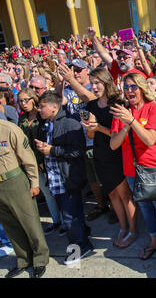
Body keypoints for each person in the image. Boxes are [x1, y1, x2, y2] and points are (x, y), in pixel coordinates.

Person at [110, 72, 156, 262]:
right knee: (144, 207)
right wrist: (127, 124)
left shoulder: (153, 108)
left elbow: (150, 139)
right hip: (132, 170)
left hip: (153, 167)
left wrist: (132, 121)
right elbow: (113, 144)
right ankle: (154, 240)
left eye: (133, 87)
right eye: (126, 87)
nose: (129, 91)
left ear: (142, 88)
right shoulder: (122, 112)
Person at [79, 67, 138, 248]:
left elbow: (121, 133)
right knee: (112, 194)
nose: (94, 86)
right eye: (92, 82)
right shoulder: (91, 106)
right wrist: (91, 128)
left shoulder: (118, 103)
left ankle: (133, 230)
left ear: (106, 82)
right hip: (99, 154)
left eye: (98, 82)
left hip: (117, 154)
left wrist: (98, 128)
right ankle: (122, 227)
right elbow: (90, 136)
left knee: (125, 194)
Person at [36, 91, 93, 266]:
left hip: (68, 179)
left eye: (42, 106)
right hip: (56, 178)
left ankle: (80, 248)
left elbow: (77, 151)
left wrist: (51, 150)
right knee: (72, 215)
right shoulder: (47, 124)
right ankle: (83, 237)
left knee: (70, 217)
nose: (39, 110)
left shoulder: (69, 123)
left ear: (54, 106)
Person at [57, 59, 111, 223]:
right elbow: (59, 103)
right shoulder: (68, 89)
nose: (75, 73)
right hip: (80, 142)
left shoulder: (93, 86)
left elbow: (90, 99)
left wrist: (71, 80)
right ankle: (101, 205)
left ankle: (114, 208)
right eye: (72, 70)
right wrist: (61, 82)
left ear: (87, 70)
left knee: (105, 178)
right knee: (92, 179)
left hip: (98, 140)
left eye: (79, 69)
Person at [0, 119, 49, 278]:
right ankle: (23, 259)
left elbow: (27, 157)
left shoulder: (9, 129)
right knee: (10, 225)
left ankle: (40, 259)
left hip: (14, 181)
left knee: (29, 221)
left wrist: (34, 182)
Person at [17, 87, 66, 237]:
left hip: (47, 158)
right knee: (46, 193)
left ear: (34, 99)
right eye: (20, 101)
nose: (23, 103)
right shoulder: (22, 119)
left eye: (26, 100)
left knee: (58, 191)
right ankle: (56, 220)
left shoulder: (42, 116)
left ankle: (65, 222)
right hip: (31, 161)